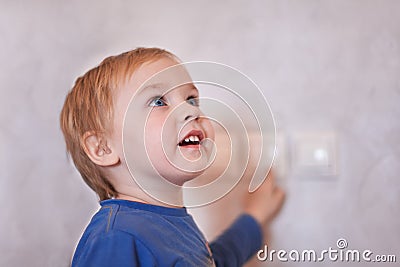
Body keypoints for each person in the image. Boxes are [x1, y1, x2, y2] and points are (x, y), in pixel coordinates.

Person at [60, 47, 285, 266]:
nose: (192, 111)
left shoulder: (169, 225)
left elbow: (214, 262)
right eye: (159, 101)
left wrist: (254, 217)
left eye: (191, 100)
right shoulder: (117, 237)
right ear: (103, 148)